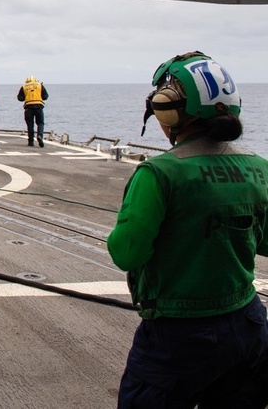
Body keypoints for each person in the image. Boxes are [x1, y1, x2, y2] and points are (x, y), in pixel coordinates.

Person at [107, 51, 268, 408]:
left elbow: (126, 252)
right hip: (249, 324)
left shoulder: (159, 173)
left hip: (178, 337)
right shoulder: (261, 168)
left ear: (170, 112)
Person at [17, 75, 49, 147]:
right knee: (40, 123)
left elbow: (20, 98)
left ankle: (31, 141)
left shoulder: (24, 86)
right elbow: (45, 96)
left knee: (30, 125)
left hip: (28, 107)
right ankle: (40, 136)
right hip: (39, 106)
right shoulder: (39, 85)